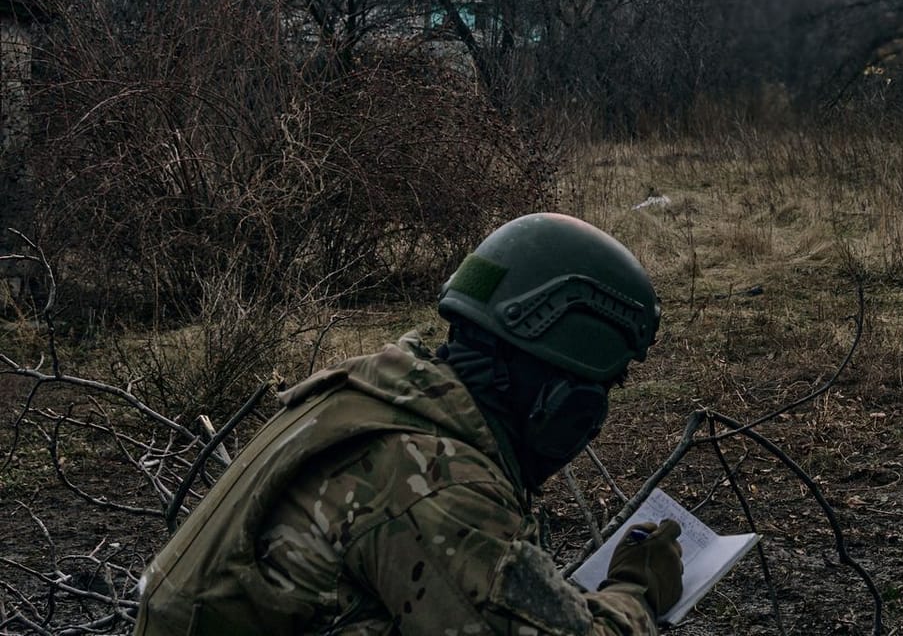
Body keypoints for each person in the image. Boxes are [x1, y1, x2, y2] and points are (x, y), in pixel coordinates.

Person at [134, 212, 685, 636]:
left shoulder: (371, 393)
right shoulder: (434, 478)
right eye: (601, 393)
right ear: (563, 400)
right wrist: (635, 590)